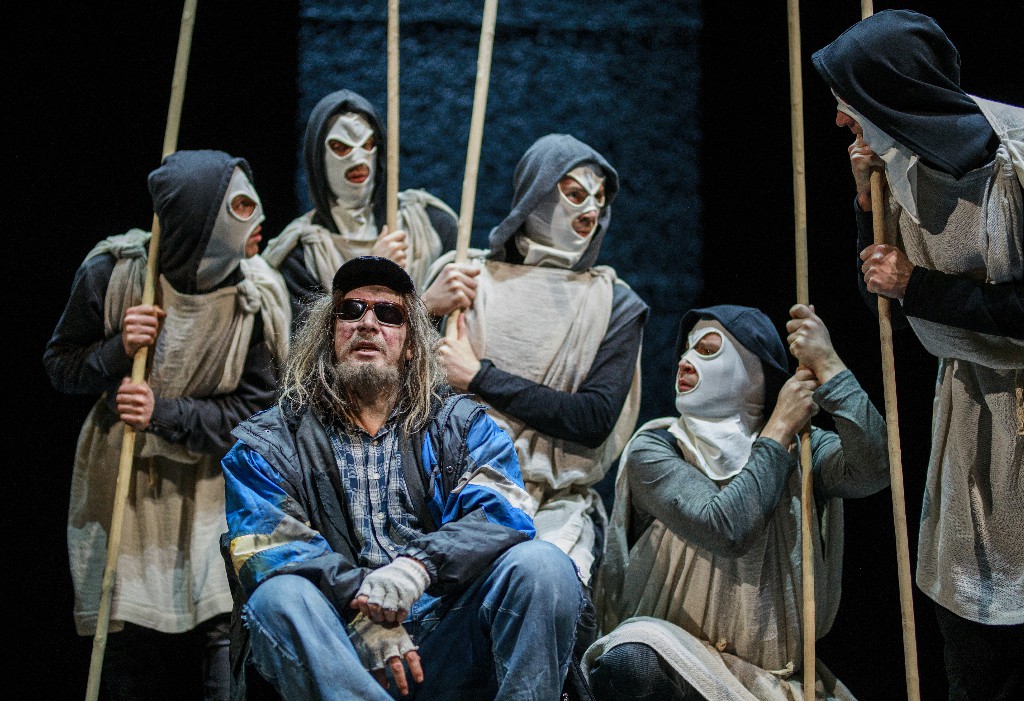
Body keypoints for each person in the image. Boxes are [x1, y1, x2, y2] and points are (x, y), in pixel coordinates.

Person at [220, 255, 582, 701]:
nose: (367, 323)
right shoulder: (271, 442)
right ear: (330, 335)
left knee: (543, 565)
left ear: (411, 344)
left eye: (389, 314)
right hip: (338, 642)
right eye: (351, 310)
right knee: (278, 598)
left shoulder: (461, 426)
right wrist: (361, 605)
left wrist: (417, 567)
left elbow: (503, 514)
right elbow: (266, 546)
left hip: (445, 630)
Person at [811, 10, 1024, 698]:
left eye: (849, 101)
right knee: (971, 627)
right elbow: (885, 292)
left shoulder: (1016, 159)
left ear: (894, 95)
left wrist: (920, 286)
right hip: (969, 415)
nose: (840, 119)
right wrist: (863, 204)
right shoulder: (899, 168)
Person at [43, 149, 291, 700]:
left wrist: (165, 412)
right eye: (240, 206)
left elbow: (258, 413)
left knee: (225, 627)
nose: (259, 217)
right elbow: (61, 366)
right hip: (126, 481)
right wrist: (116, 350)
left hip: (210, 480)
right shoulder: (115, 275)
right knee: (126, 642)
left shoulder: (256, 298)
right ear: (199, 219)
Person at [583, 304, 890, 700]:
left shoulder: (804, 450)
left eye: (707, 350)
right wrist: (778, 429)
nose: (686, 361)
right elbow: (726, 527)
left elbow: (875, 468)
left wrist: (830, 368)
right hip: (674, 664)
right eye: (686, 350)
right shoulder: (657, 449)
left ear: (754, 373)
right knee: (631, 662)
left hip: (766, 681)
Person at [433, 133, 649, 653]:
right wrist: (423, 305)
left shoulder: (615, 303)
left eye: (600, 199)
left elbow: (591, 419)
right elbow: (394, 387)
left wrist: (480, 378)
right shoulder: (466, 278)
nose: (591, 209)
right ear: (537, 194)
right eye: (574, 193)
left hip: (553, 510)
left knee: (542, 617)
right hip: (457, 499)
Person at [262, 88, 477, 328]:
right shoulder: (301, 254)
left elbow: (456, 329)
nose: (358, 160)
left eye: (367, 144)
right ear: (318, 157)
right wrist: (374, 274)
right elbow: (313, 343)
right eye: (341, 147)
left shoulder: (430, 224)